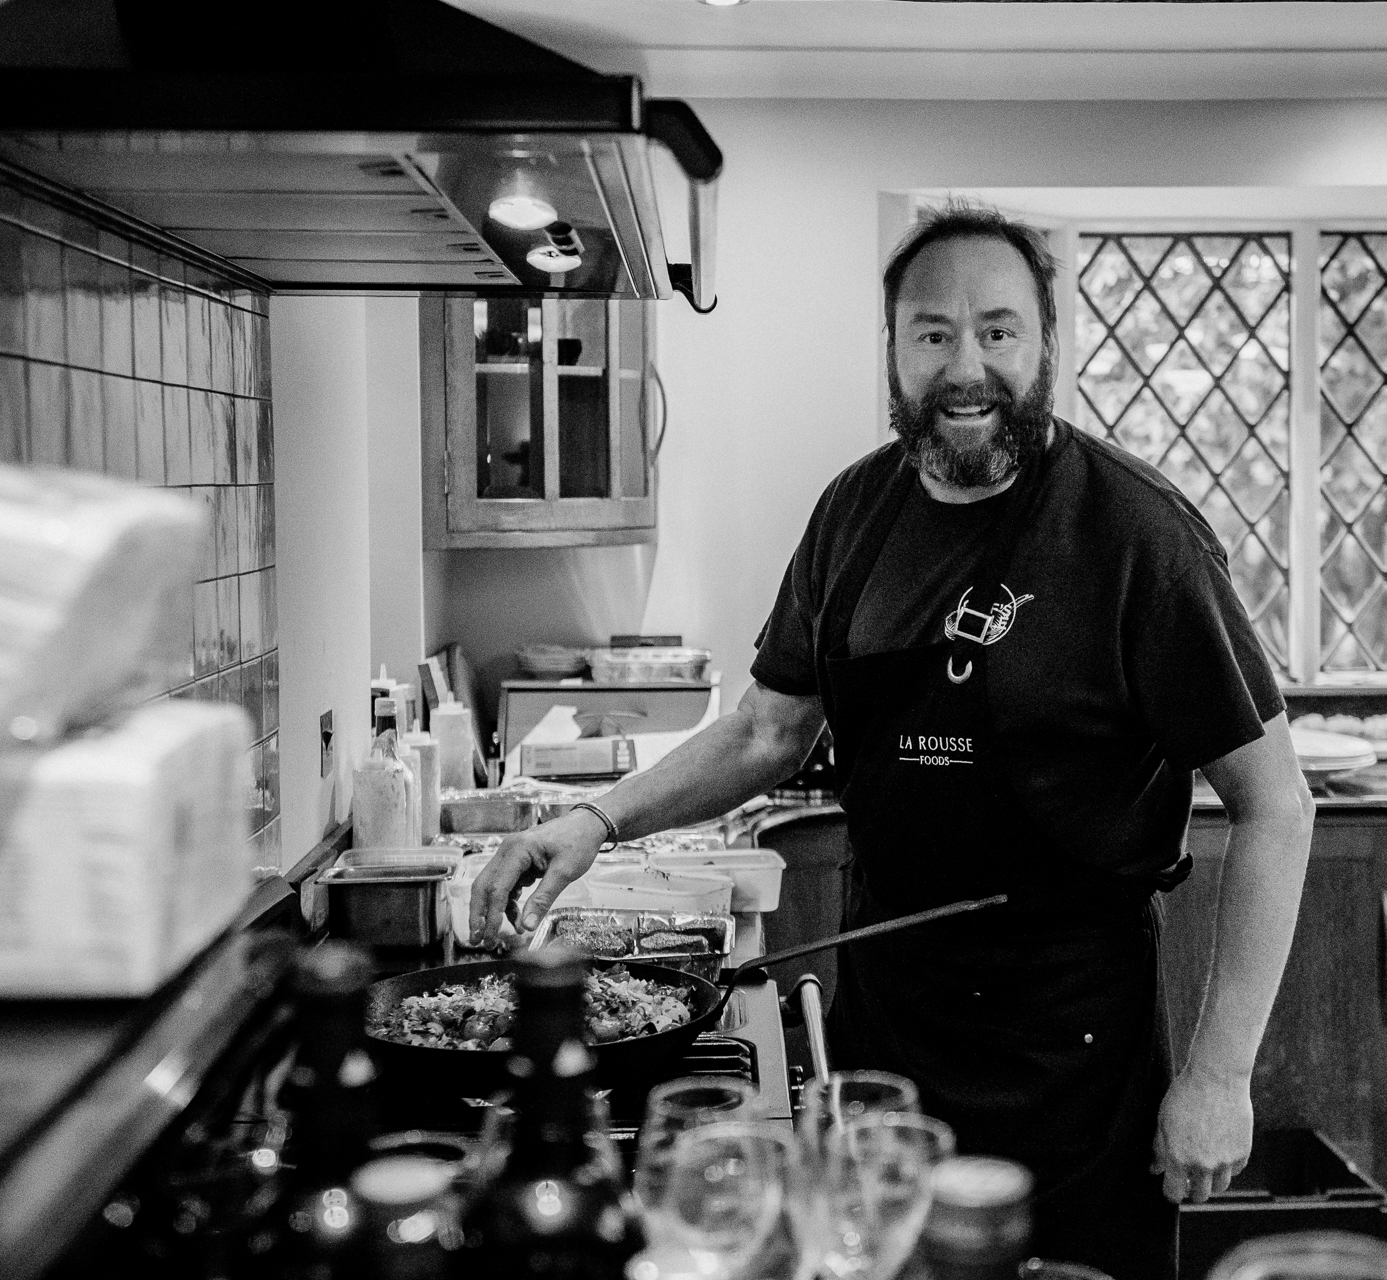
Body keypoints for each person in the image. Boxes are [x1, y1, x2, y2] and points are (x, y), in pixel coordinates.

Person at [468, 203, 1314, 1280]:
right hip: (889, 1027)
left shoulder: (1138, 533)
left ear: (1048, 344)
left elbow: (1276, 803)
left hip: (1071, 1043)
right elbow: (769, 728)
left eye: (998, 330)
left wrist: (1218, 1071)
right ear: (894, 349)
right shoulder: (853, 512)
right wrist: (592, 819)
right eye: (933, 333)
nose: (967, 365)